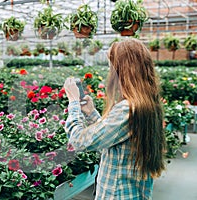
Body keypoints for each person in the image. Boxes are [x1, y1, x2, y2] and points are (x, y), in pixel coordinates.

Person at [64, 38, 166, 200]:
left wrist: (74, 103)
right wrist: (90, 113)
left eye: (113, 66)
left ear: (123, 70)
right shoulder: (147, 105)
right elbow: (110, 138)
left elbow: (79, 141)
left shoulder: (128, 109)